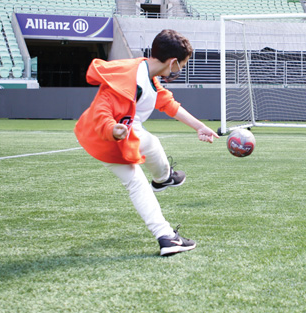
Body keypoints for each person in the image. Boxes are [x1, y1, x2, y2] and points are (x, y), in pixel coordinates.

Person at [74, 29, 218, 256]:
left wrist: (199, 126)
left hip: (130, 130)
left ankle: (163, 179)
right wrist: (113, 129)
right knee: (137, 183)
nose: (182, 69)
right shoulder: (127, 77)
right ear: (172, 62)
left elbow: (168, 104)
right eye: (182, 64)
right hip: (106, 139)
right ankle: (167, 237)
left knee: (151, 142)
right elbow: (102, 109)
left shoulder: (148, 74)